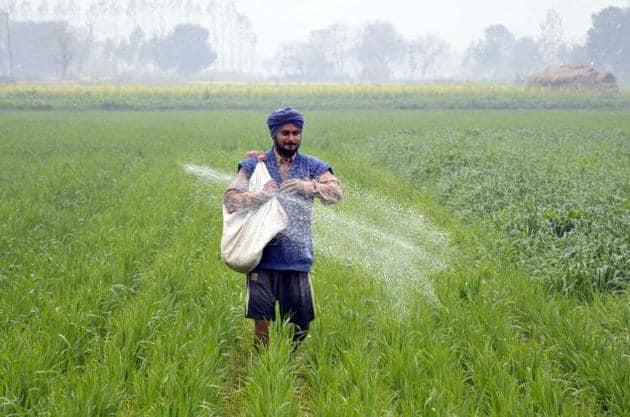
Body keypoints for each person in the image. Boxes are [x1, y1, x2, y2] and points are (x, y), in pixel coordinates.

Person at [223, 108, 342, 348]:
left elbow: (336, 193)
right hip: (262, 256)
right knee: (261, 323)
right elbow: (231, 199)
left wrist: (309, 187)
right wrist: (260, 195)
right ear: (274, 134)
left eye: (296, 133)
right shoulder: (253, 165)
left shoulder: (312, 166)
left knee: (300, 324)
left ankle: (291, 362)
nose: (291, 138)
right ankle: (264, 367)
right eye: (285, 133)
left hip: (297, 257)